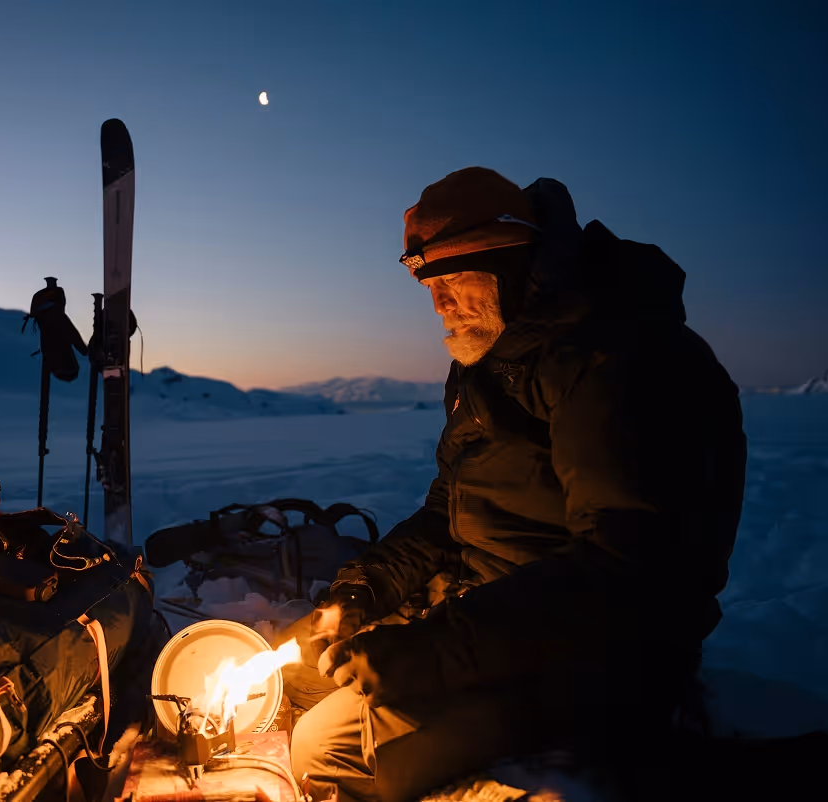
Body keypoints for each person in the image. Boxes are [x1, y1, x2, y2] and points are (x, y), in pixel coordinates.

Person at [284, 167, 748, 801]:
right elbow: (449, 510)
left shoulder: (617, 361)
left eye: (453, 281)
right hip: (499, 623)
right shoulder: (494, 363)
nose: (439, 303)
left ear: (509, 266)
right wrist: (367, 588)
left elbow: (627, 572)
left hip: (600, 654)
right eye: (428, 285)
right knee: (313, 686)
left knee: (330, 747)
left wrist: (430, 650)